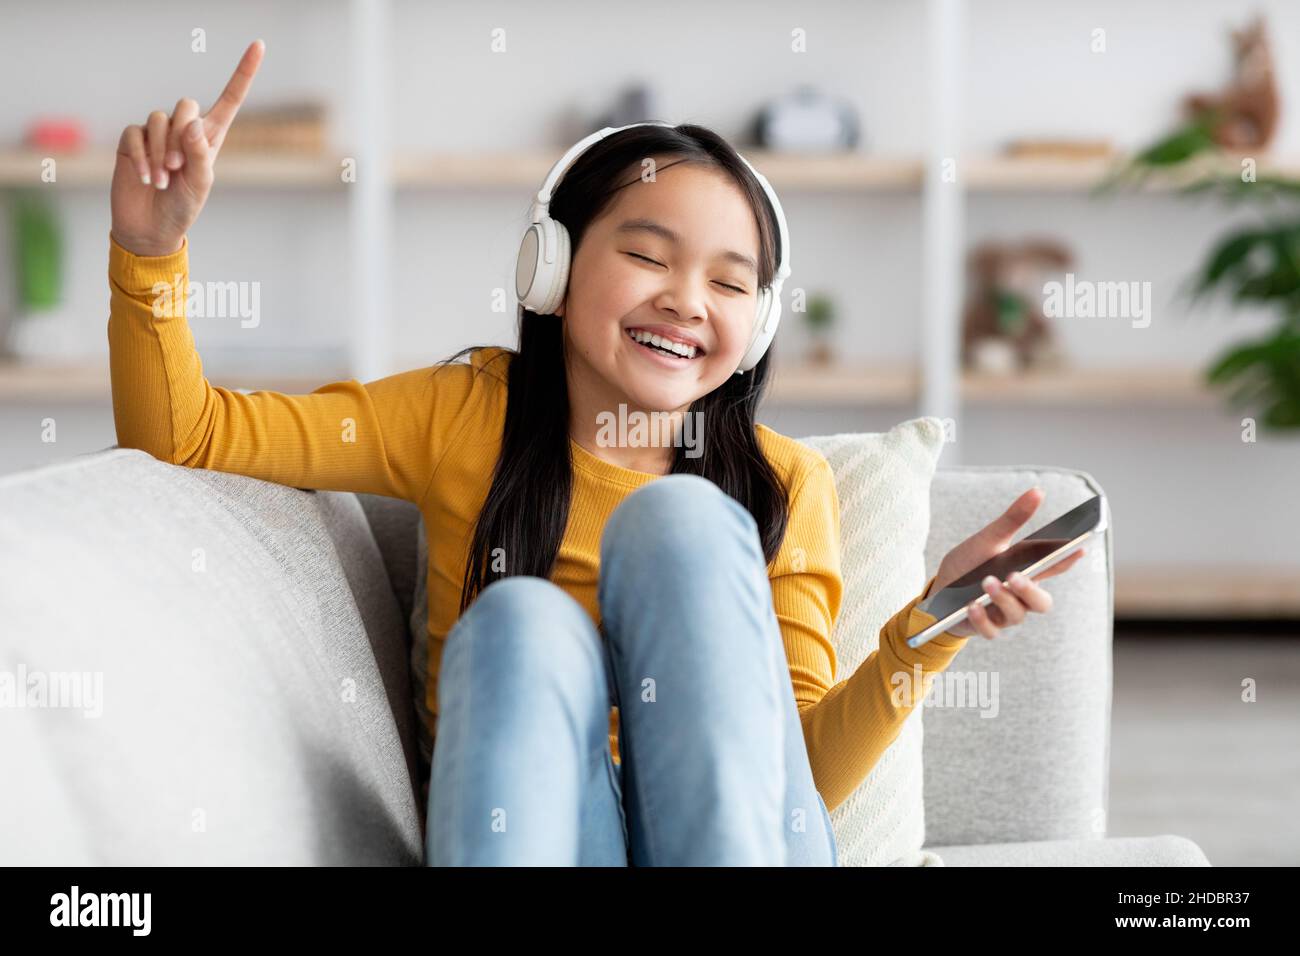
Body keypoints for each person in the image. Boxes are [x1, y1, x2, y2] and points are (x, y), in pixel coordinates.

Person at [107, 39, 1083, 866]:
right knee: (518, 621)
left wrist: (930, 626)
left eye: (730, 282)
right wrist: (151, 256)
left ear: (761, 319)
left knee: (683, 520)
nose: (686, 299)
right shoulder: (463, 411)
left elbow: (789, 775)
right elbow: (188, 434)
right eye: (648, 256)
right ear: (554, 270)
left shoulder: (786, 483)